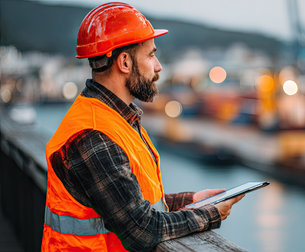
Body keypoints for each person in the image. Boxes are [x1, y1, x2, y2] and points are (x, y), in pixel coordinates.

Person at [41, 2, 244, 251]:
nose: (158, 66)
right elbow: (142, 229)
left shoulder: (113, 118)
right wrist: (210, 214)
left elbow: (127, 203)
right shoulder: (94, 136)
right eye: (150, 55)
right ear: (124, 62)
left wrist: (190, 201)